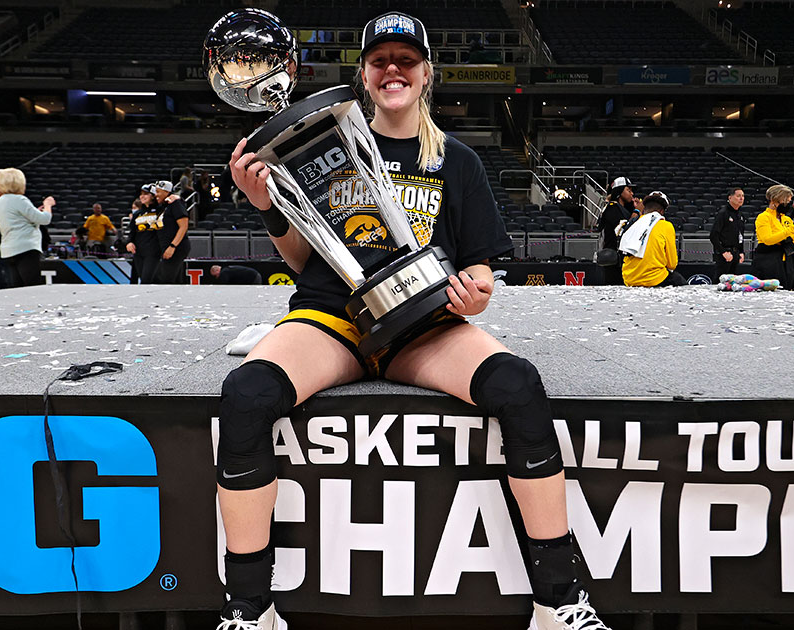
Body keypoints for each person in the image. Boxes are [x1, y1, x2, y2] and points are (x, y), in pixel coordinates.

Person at [216, 11, 610, 630]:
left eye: (406, 60)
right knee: (246, 394)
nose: (392, 69)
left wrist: (475, 296)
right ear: (364, 75)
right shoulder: (320, 149)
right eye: (380, 61)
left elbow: (478, 271)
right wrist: (267, 207)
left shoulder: (458, 161)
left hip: (423, 325)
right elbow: (302, 260)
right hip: (331, 317)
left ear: (426, 73)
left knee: (516, 385)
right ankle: (249, 608)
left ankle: (558, 600)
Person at [0, 167, 53, 287]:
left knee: (17, 287)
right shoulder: (19, 199)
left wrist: (35, 211)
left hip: (9, 249)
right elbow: (45, 219)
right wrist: (48, 205)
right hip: (25, 248)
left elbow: (17, 220)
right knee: (31, 287)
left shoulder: (1, 200)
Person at [752, 185, 794, 283]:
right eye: (786, 201)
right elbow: (768, 240)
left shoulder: (787, 219)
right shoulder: (763, 217)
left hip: (787, 262)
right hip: (768, 261)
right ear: (775, 200)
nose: (788, 204)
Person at [620, 192, 682, 287]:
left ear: (644, 209)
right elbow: (672, 264)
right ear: (661, 211)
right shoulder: (667, 226)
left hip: (629, 279)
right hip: (655, 279)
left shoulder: (634, 223)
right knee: (679, 280)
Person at [595, 176, 640, 285]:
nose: (632, 194)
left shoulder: (623, 209)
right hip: (613, 262)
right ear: (619, 191)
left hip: (623, 261)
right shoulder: (612, 208)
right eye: (628, 190)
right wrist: (638, 211)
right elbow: (623, 230)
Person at [153, 180, 191, 284]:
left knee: (164, 279)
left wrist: (172, 247)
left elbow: (183, 226)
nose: (156, 194)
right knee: (176, 280)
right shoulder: (165, 205)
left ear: (166, 192)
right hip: (167, 246)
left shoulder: (176, 203)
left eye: (158, 191)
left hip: (176, 247)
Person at [126, 184, 163, 284]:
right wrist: (129, 242)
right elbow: (132, 232)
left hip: (153, 252)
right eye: (141, 194)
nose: (142, 196)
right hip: (138, 252)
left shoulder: (161, 210)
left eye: (146, 194)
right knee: (146, 279)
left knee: (146, 280)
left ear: (153, 196)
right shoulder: (137, 214)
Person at [709, 187, 745, 278]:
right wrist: (723, 252)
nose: (741, 198)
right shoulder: (723, 213)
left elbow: (740, 235)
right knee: (720, 280)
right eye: (738, 196)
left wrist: (741, 251)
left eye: (743, 196)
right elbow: (713, 235)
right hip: (724, 253)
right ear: (730, 198)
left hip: (735, 253)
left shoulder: (740, 215)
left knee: (733, 281)